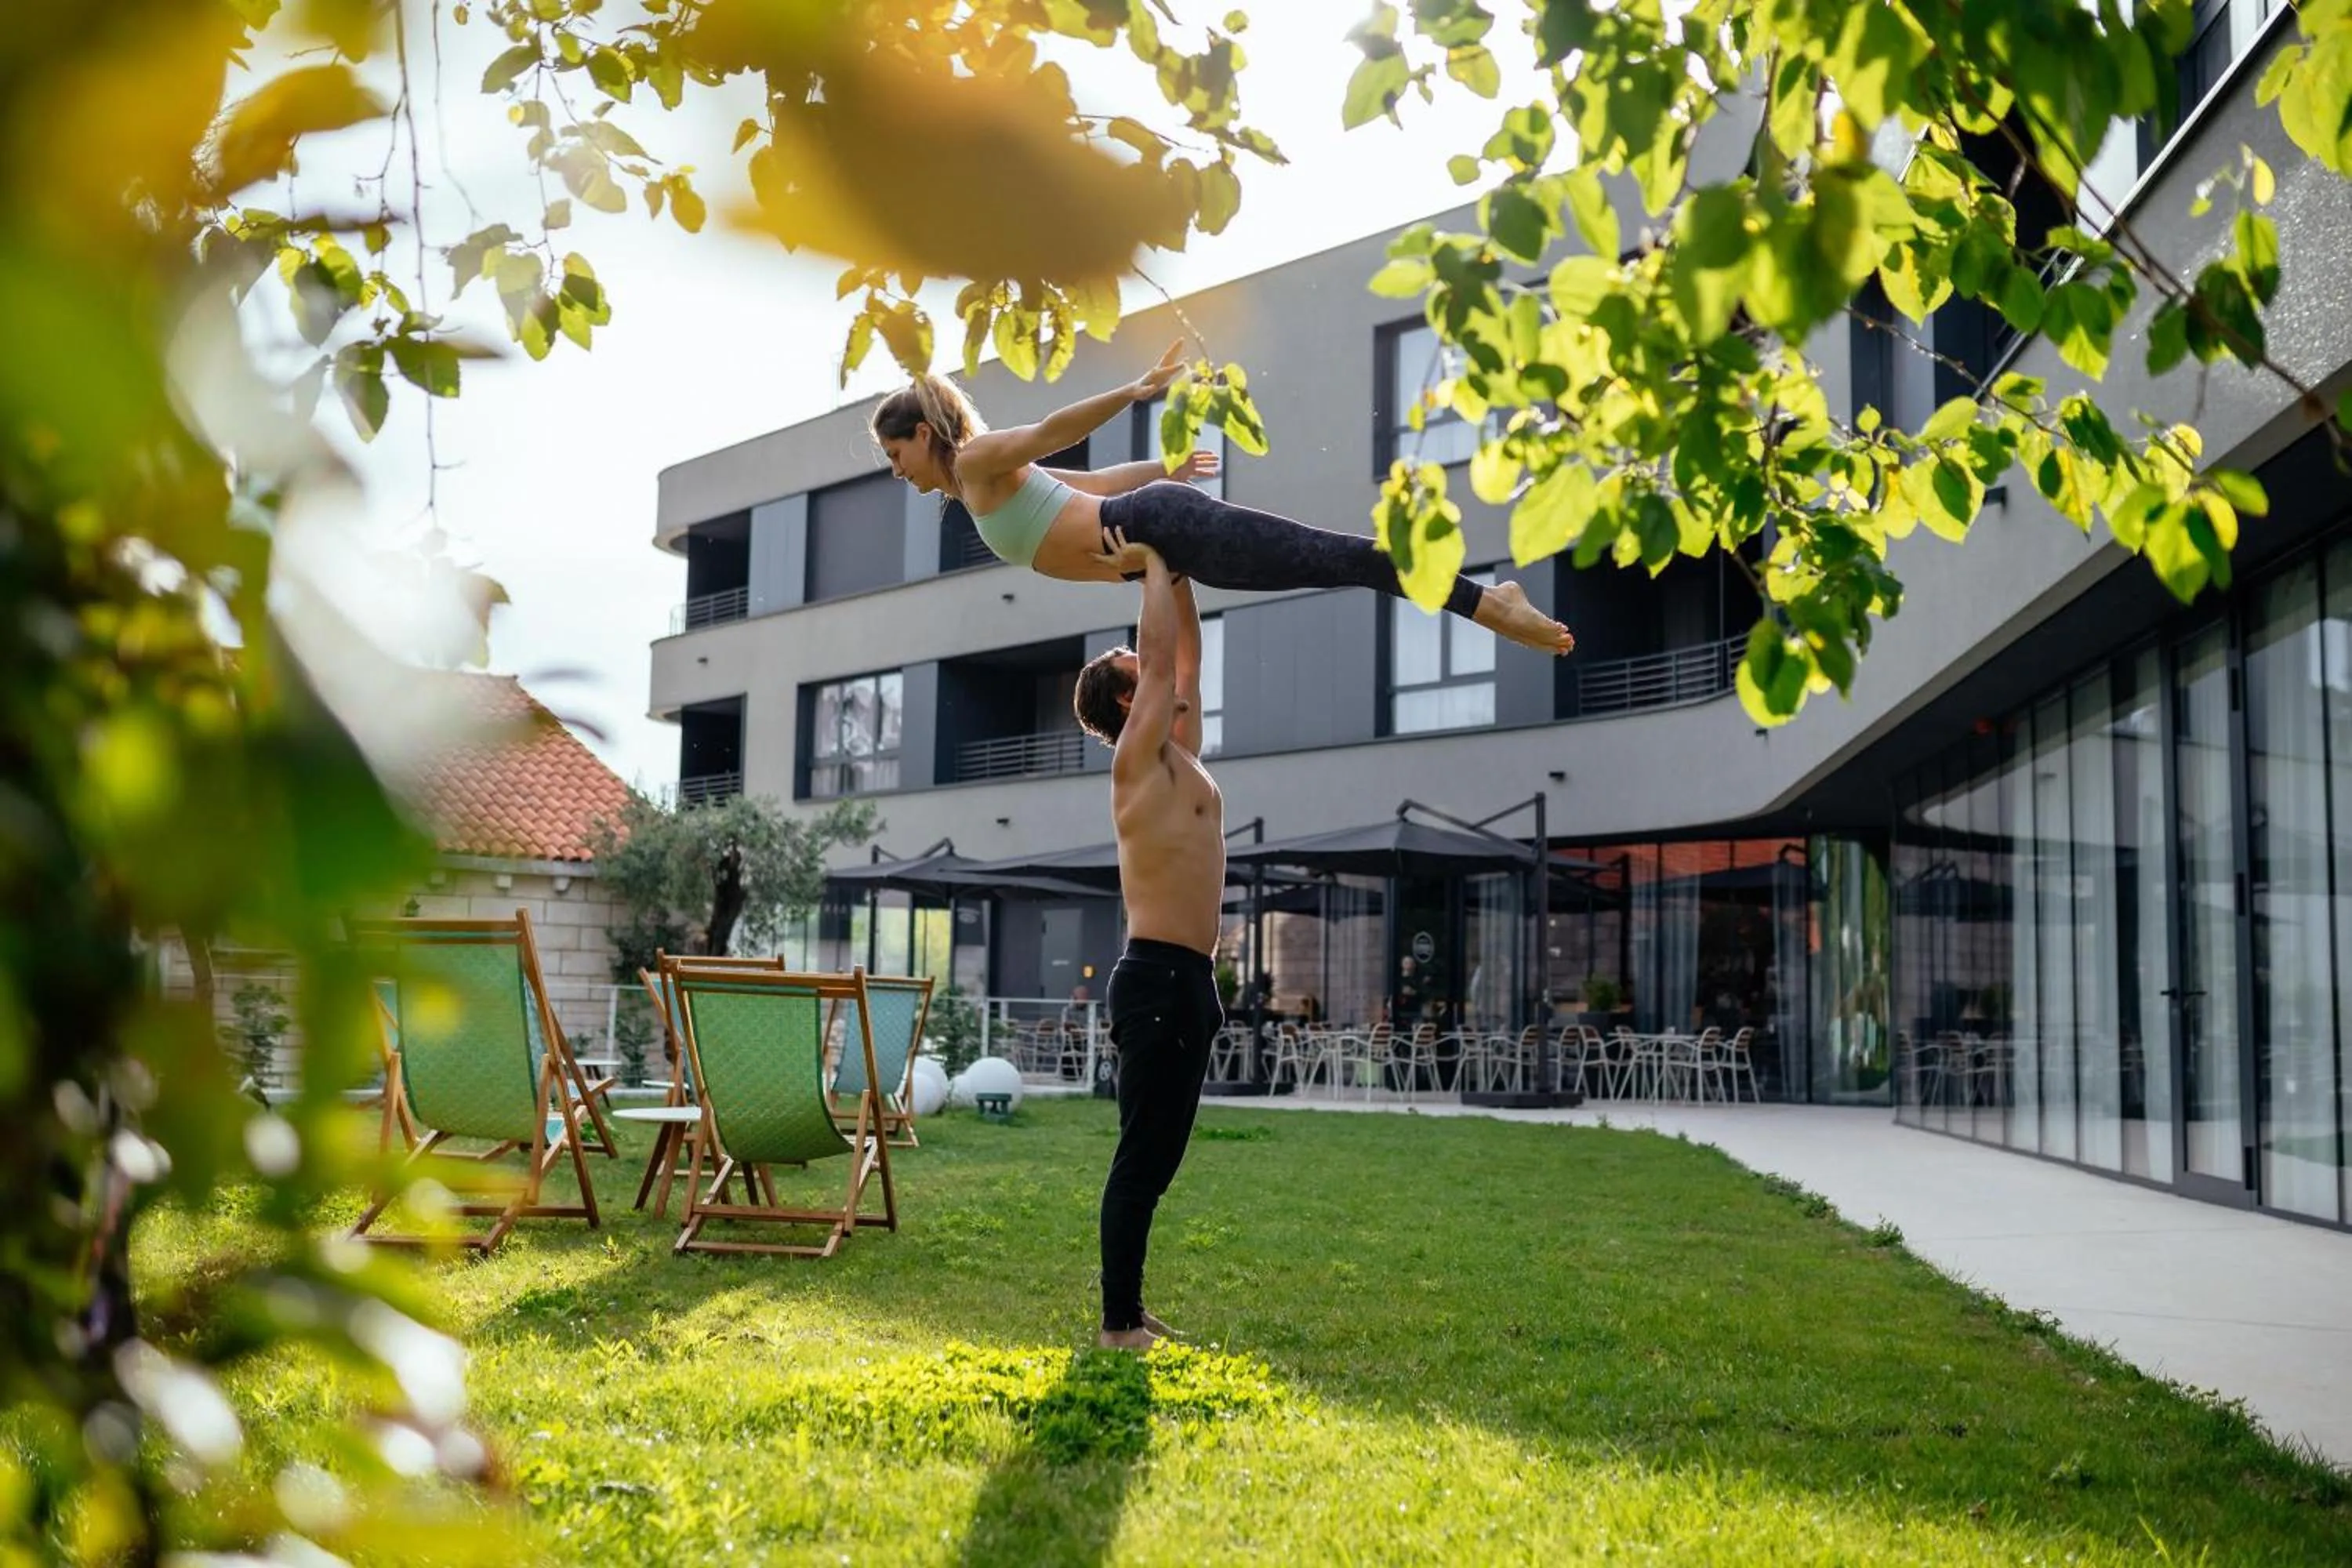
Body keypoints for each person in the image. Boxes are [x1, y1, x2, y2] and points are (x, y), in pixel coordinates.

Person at [870, 342, 1577, 655]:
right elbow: (1087, 485)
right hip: (1155, 534)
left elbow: (1054, 432)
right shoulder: (981, 491)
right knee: (1334, 564)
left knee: (1338, 558)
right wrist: (1164, 465)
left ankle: (1492, 603)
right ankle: (1489, 603)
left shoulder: (979, 460)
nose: (897, 472)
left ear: (925, 434)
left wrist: (1133, 392)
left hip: (1155, 527)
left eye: (896, 455)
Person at [1071, 543, 1223, 1351]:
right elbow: (1165, 657)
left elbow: (1185, 652)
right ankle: (1116, 1323)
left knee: (1158, 1162)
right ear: (1130, 697)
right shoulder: (1137, 763)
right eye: (1141, 668)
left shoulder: (1182, 761)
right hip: (1157, 979)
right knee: (1141, 1159)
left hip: (1190, 981)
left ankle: (1128, 1307)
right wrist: (1153, 561)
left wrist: (1180, 567)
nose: (1160, 672)